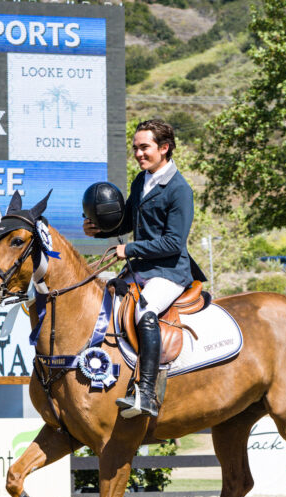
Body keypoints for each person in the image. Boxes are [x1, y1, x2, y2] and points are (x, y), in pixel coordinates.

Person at [83, 119, 205, 418]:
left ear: (164, 148)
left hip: (169, 272)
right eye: (135, 148)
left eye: (144, 147)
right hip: (141, 269)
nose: (138, 153)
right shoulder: (142, 180)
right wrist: (99, 230)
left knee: (144, 312)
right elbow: (130, 224)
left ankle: (146, 393)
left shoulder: (179, 190)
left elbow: (173, 243)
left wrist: (130, 249)